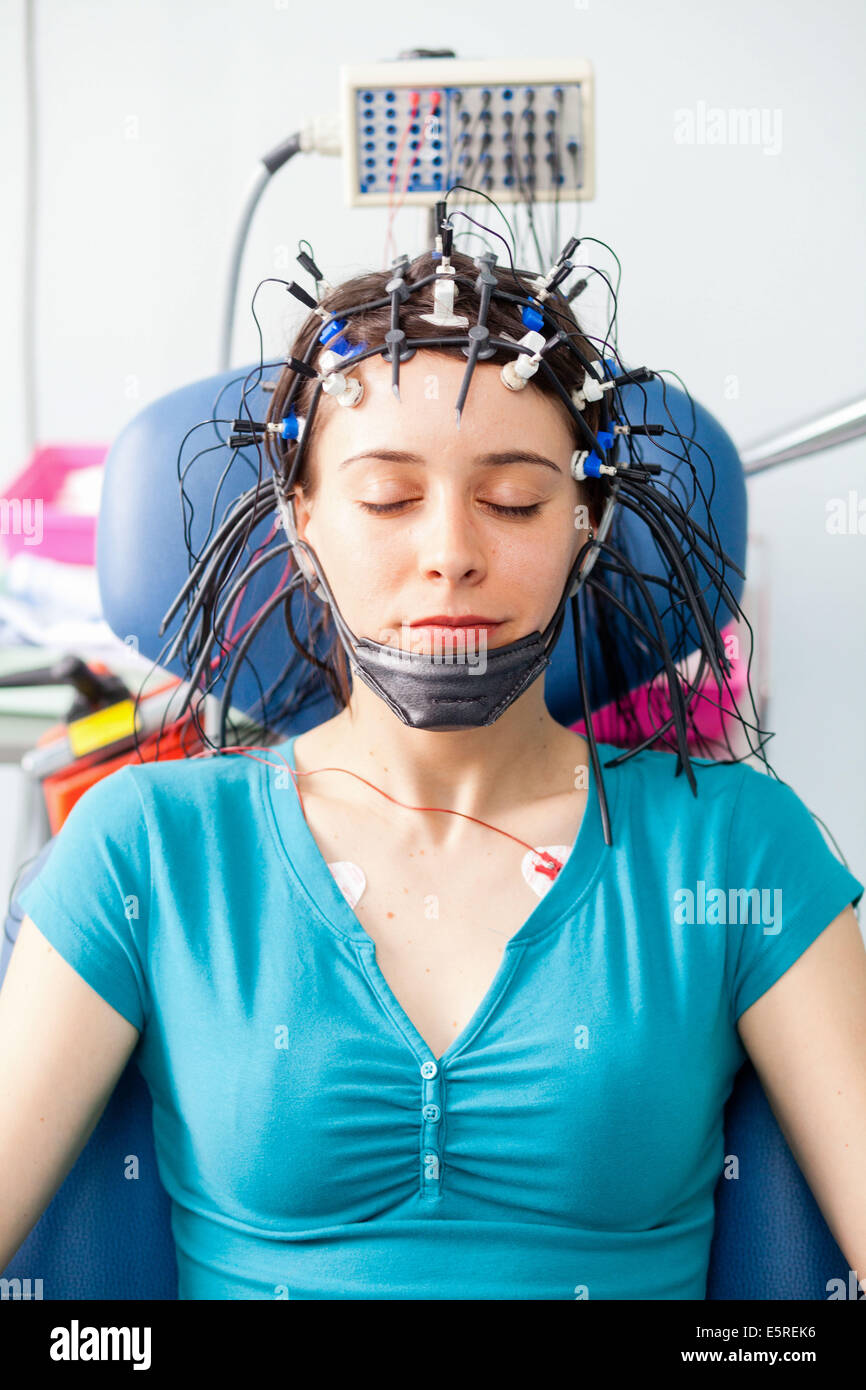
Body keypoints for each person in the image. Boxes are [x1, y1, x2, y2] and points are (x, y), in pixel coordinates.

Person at [2, 244, 865, 1302]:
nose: (450, 552)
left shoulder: (735, 848)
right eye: (384, 499)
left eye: (510, 500)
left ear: (585, 525)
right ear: (301, 521)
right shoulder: (147, 846)